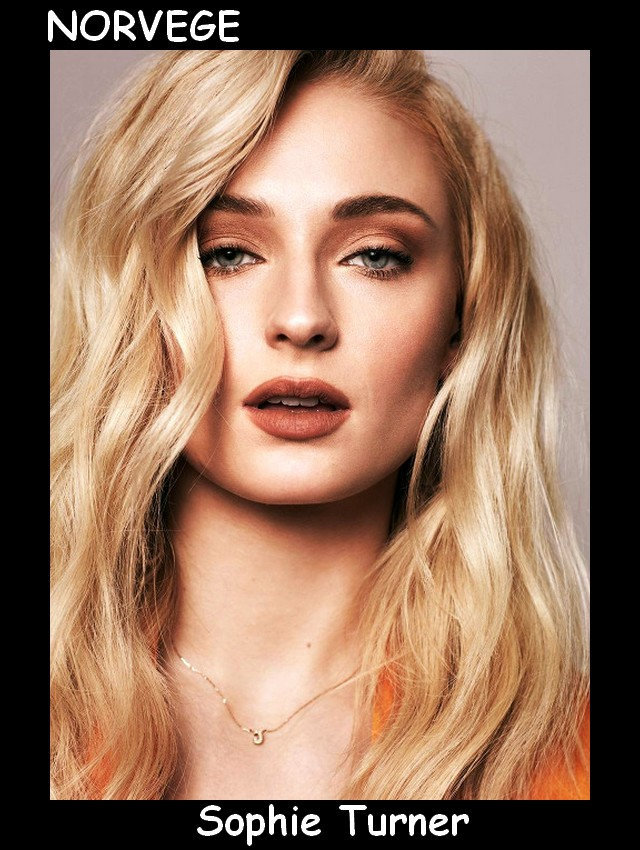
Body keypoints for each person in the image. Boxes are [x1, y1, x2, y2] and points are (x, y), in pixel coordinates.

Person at [50, 50, 589, 801]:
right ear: (132, 304)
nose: (301, 318)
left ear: (461, 323)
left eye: (374, 257)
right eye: (228, 254)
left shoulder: (565, 755)